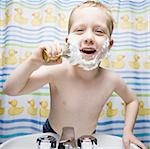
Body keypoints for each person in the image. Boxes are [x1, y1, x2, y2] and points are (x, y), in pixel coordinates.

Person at [3, 1, 146, 149]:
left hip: (87, 138)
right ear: (68, 41)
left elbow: (132, 101)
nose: (89, 37)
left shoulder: (111, 79)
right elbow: (10, 89)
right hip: (53, 134)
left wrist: (128, 131)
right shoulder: (57, 70)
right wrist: (33, 62)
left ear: (109, 44)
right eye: (79, 30)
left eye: (99, 31)